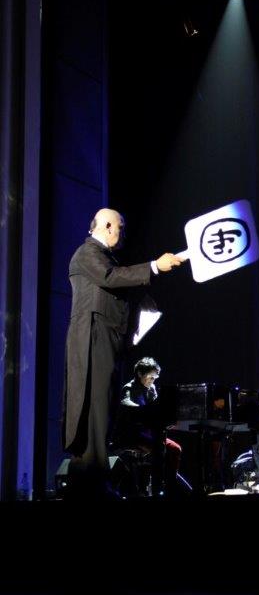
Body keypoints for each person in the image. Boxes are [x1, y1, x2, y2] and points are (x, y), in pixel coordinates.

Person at [62, 208, 182, 498]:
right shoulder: (87, 253)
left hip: (106, 342)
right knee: (94, 408)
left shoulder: (104, 257)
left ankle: (92, 480)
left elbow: (117, 287)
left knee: (103, 409)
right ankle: (91, 481)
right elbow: (111, 277)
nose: (123, 233)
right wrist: (154, 266)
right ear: (106, 226)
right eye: (120, 227)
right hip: (92, 341)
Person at [112, 356, 182, 496]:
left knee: (175, 449)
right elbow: (125, 403)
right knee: (159, 448)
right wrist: (144, 410)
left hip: (150, 434)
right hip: (132, 435)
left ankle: (170, 485)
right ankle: (156, 488)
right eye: (150, 377)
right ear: (140, 374)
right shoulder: (129, 387)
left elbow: (158, 408)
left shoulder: (152, 389)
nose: (153, 380)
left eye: (155, 378)